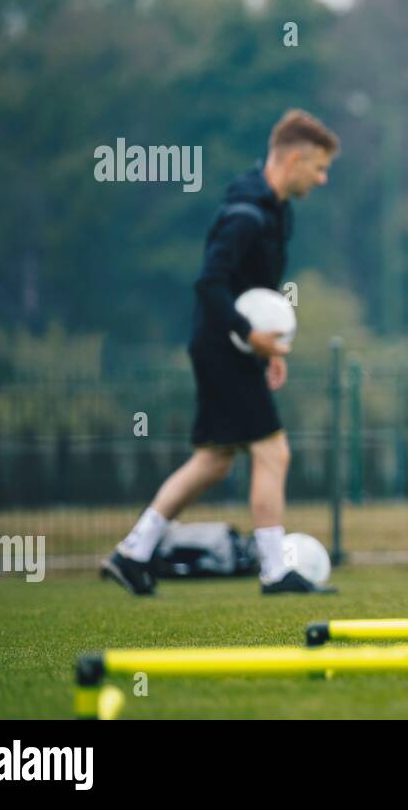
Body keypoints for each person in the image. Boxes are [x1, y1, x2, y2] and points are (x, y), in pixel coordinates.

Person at [101, 109, 340, 596]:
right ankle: (275, 570)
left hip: (234, 346)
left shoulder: (278, 212)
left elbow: (258, 291)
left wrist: (267, 347)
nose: (323, 178)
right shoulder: (244, 216)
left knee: (214, 461)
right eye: (317, 167)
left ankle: (132, 553)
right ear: (293, 159)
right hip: (219, 346)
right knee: (273, 451)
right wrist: (247, 336)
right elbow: (209, 284)